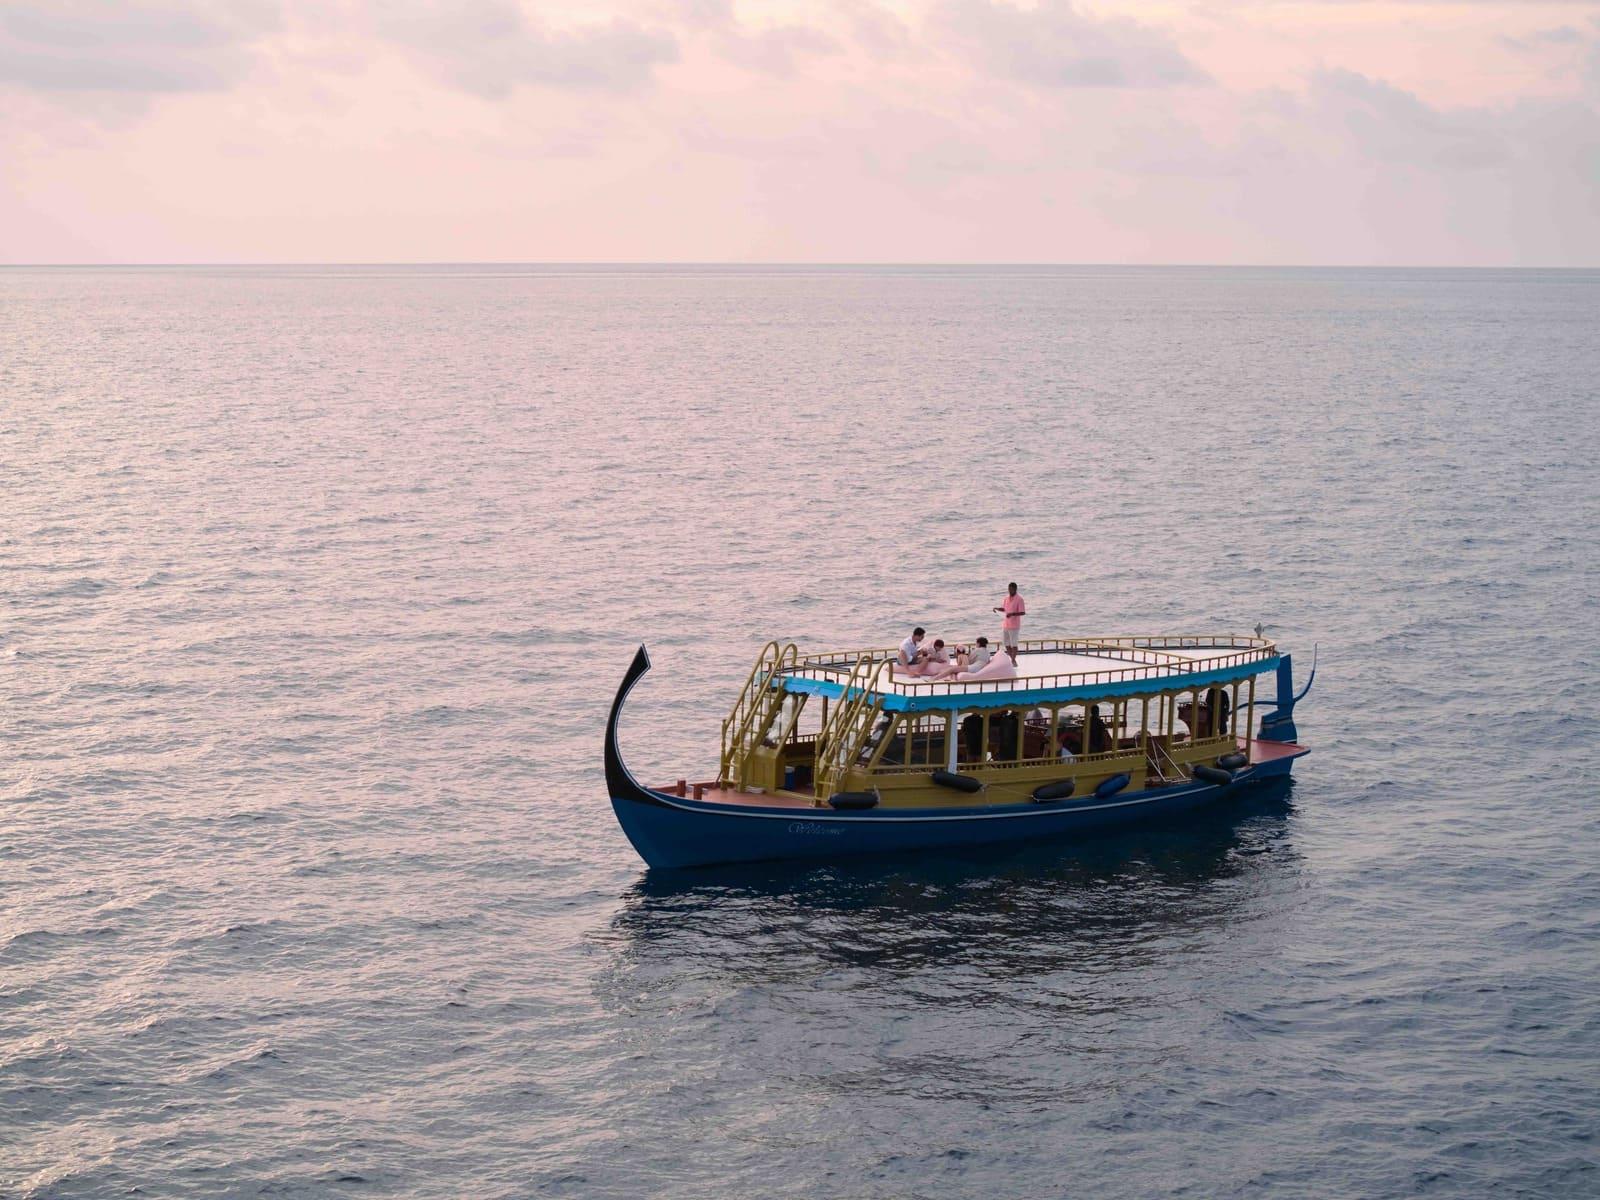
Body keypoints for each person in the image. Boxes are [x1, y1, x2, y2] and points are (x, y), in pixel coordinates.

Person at [993, 582, 1026, 662]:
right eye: (1009, 589)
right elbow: (1004, 609)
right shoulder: (1006, 598)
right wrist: (997, 609)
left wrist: (1012, 614)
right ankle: (1013, 660)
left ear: (1015, 589)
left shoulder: (1019, 599)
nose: (1010, 591)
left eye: (1011, 589)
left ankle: (1013, 660)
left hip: (1014, 626)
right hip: (1006, 624)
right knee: (1006, 643)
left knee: (1014, 644)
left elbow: (1023, 612)